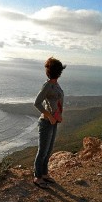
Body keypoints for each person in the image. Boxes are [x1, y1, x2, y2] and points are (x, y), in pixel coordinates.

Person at [33, 57, 66, 189]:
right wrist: (50, 117)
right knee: (42, 150)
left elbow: (56, 103)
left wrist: (59, 115)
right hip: (46, 122)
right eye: (59, 71)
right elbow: (37, 103)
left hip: (54, 121)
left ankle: (45, 174)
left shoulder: (56, 84)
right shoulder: (47, 85)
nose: (60, 73)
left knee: (49, 150)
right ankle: (37, 177)